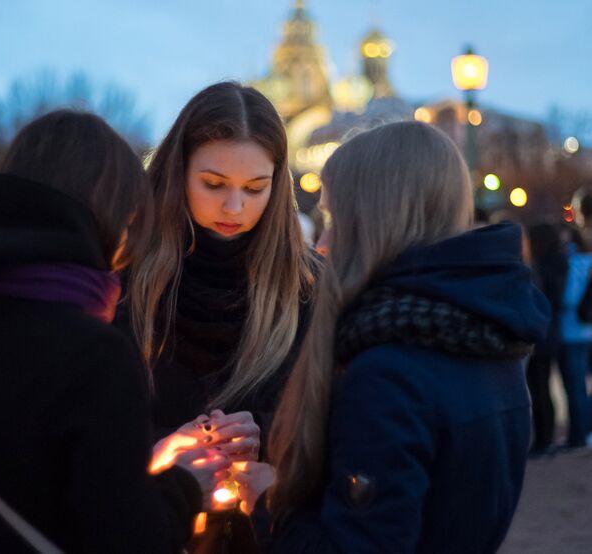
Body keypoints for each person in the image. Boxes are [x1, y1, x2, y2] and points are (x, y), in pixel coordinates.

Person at [0, 110, 229, 553]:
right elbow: (131, 540)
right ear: (107, 210)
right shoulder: (95, 353)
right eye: (131, 215)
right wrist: (185, 485)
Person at [250, 121, 550, 553]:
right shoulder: (484, 337)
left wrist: (267, 503)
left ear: (377, 222)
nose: (322, 244)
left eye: (334, 220)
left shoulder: (389, 374)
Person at [122, 81, 318, 553]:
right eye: (213, 185)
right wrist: (166, 449)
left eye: (255, 188)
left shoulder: (308, 286)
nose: (234, 208)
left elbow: (330, 418)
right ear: (178, 172)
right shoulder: (126, 275)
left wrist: (267, 436)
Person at [525, 222, 567, 456]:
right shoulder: (558, 261)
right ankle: (546, 438)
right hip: (551, 332)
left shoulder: (540, 266)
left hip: (542, 334)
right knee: (543, 387)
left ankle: (544, 439)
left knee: (539, 387)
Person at [557, 223, 592, 448]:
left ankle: (578, 435)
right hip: (588, 331)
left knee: (575, 386)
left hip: (571, 331)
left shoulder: (574, 263)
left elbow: (569, 298)